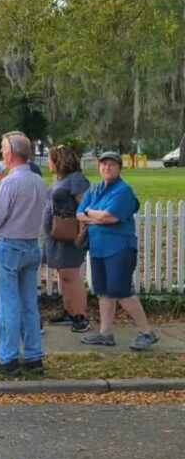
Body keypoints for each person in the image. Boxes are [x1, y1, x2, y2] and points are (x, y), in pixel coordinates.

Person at [0, 131, 48, 376]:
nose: (0, 153)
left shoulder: (9, 182)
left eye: (2, 149)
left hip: (9, 244)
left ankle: (7, 357)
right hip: (30, 243)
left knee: (7, 303)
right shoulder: (38, 181)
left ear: (10, 153)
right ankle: (33, 355)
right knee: (29, 301)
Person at [77, 152, 158, 350]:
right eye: (103, 164)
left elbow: (109, 217)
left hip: (119, 249)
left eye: (112, 165)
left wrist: (91, 213)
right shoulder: (95, 189)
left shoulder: (123, 191)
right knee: (103, 292)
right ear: (99, 167)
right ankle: (105, 334)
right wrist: (93, 215)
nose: (107, 168)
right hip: (98, 248)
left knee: (122, 292)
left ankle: (147, 332)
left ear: (119, 168)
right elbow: (79, 213)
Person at [42, 144, 91, 333]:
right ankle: (69, 312)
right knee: (63, 276)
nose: (48, 162)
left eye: (50, 158)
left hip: (69, 235)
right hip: (55, 236)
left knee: (71, 276)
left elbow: (84, 205)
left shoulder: (76, 180)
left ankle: (81, 316)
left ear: (59, 160)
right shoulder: (59, 179)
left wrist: (81, 233)